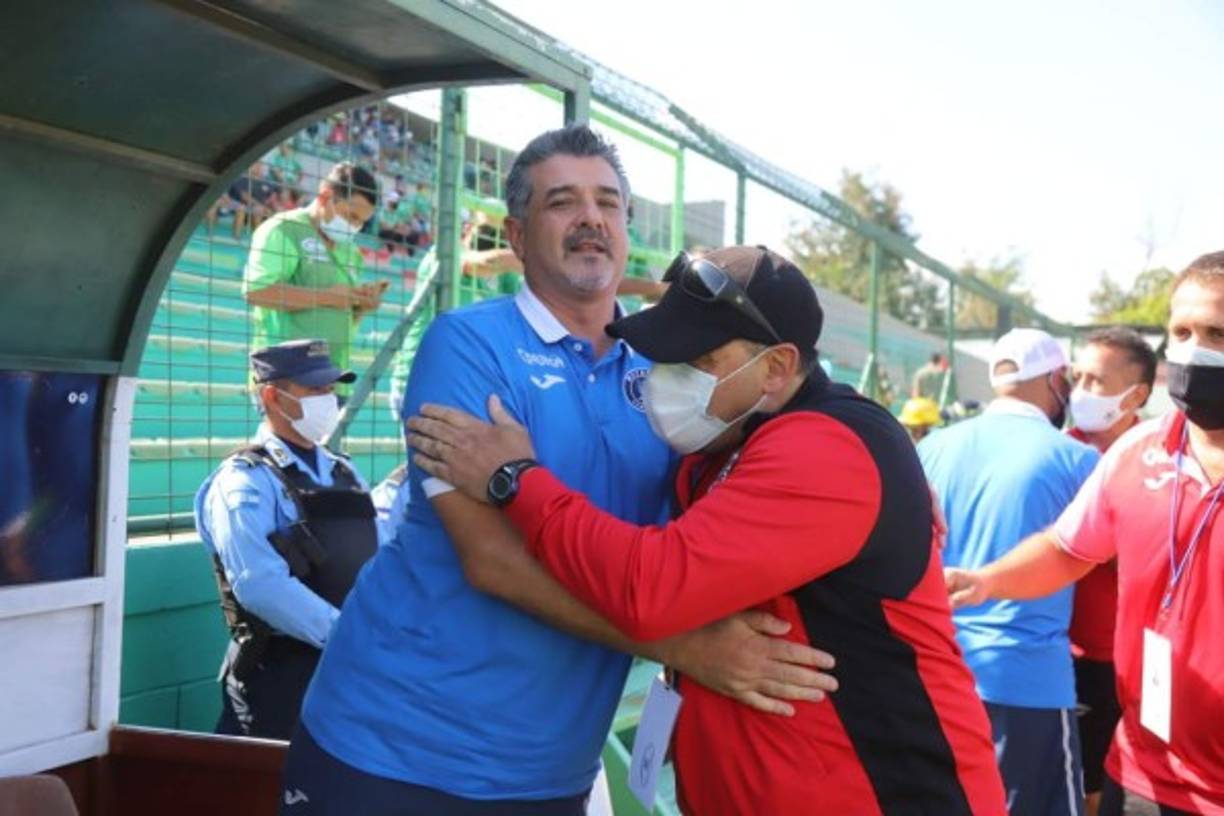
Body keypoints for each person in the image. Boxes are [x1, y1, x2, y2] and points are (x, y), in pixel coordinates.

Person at [281, 127, 837, 815]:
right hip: (395, 746)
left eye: (607, 202)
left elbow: (738, 488)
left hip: (551, 771)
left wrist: (883, 466)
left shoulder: (674, 370)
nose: (590, 219)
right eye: (562, 202)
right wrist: (692, 649)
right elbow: (494, 562)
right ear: (517, 236)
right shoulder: (468, 344)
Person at [407, 245, 1007, 815]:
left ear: (776, 368)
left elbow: (652, 588)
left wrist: (514, 479)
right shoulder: (724, 439)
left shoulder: (825, 447)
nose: (667, 376)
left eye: (697, 362)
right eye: (664, 357)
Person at [944, 251, 1224, 816]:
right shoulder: (1135, 452)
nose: (1193, 349)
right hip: (1144, 777)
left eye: (1216, 333)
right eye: (1182, 332)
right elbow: (1067, 549)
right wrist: (986, 581)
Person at [918, 328, 1101, 816]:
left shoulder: (932, 447)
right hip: (1028, 681)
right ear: (1055, 379)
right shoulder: (1077, 459)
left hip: (937, 673)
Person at [194, 339, 379, 739]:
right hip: (278, 677)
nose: (327, 399)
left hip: (348, 671)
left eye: (330, 388)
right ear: (271, 397)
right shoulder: (245, 480)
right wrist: (350, 635)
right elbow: (260, 585)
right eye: (314, 389)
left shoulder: (344, 472)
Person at [1066, 327, 1158, 816]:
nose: (1081, 390)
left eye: (1096, 380)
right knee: (1080, 784)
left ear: (1136, 396)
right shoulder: (1059, 451)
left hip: (1140, 662)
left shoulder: (1160, 458)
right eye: (1077, 377)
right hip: (1069, 654)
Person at [242, 161, 389, 392]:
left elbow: (341, 317)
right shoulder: (283, 229)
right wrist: (327, 297)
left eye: (362, 221)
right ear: (325, 196)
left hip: (335, 381)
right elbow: (256, 291)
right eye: (350, 216)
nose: (355, 226)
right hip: (287, 383)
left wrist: (360, 306)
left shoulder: (351, 251)